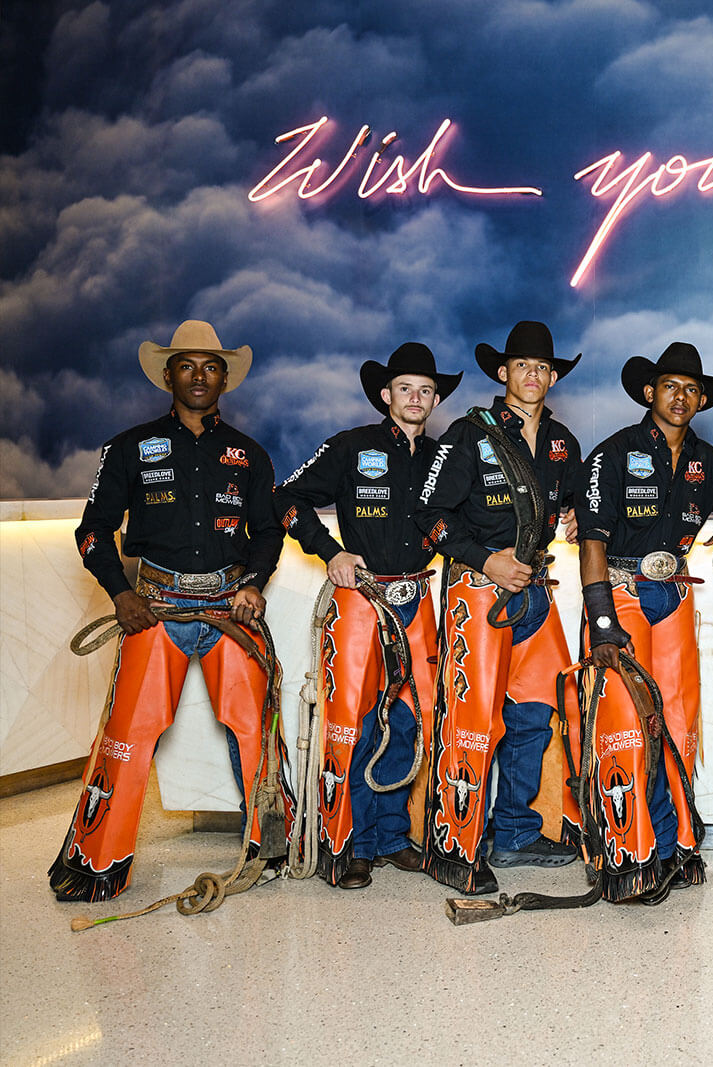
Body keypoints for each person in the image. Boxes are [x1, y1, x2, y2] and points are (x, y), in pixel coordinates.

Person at [52, 320, 288, 902]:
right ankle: (97, 861)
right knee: (129, 735)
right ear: (167, 375)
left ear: (224, 378)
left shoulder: (249, 454)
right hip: (154, 609)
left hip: (230, 611)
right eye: (187, 365)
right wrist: (120, 594)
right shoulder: (128, 448)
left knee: (256, 730)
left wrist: (254, 583)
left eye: (210, 366)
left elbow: (268, 532)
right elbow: (93, 532)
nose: (199, 376)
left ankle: (273, 850)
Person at [577, 342, 713, 898]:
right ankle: (626, 848)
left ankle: (677, 844)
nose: (680, 397)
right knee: (624, 723)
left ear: (701, 399)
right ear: (648, 392)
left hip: (674, 593)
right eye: (669, 386)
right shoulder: (613, 453)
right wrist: (602, 621)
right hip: (622, 592)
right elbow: (591, 541)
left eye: (690, 389)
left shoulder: (705, 458)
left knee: (678, 719)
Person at [275, 342, 460, 889]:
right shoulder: (350, 447)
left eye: (426, 391)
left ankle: (392, 836)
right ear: (385, 395)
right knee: (350, 721)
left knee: (407, 719)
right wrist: (328, 550)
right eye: (405, 388)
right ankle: (350, 843)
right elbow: (284, 498)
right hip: (360, 598)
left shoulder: (445, 457)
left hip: (418, 598)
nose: (416, 398)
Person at [413, 321, 583, 895]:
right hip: (479, 589)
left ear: (552, 376)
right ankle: (455, 843)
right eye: (521, 367)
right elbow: (428, 517)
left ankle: (513, 832)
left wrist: (576, 516)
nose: (532, 375)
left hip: (536, 589)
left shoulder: (564, 443)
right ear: (503, 374)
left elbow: (572, 498)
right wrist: (485, 560)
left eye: (541, 368)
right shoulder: (467, 434)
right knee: (471, 717)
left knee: (535, 716)